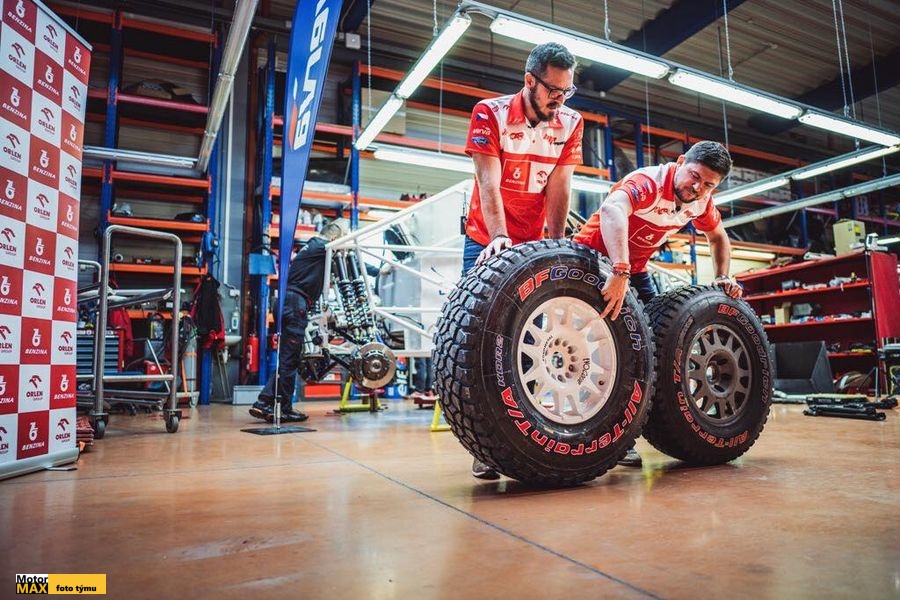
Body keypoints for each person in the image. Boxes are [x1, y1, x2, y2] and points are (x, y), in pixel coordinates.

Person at [574, 140, 744, 467]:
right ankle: (600, 435)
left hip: (633, 270)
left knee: (658, 344)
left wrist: (723, 276)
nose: (697, 188)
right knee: (603, 350)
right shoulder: (649, 182)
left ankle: (629, 432)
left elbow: (719, 236)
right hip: (591, 260)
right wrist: (620, 268)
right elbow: (612, 210)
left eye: (708, 185)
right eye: (694, 177)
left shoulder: (701, 202)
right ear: (680, 162)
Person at [461, 41, 584, 479]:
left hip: (534, 239)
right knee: (478, 336)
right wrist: (498, 239)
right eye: (553, 90)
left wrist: (554, 243)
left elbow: (560, 188)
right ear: (529, 80)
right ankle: (484, 444)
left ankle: (528, 428)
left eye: (567, 91)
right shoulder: (488, 113)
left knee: (534, 337)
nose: (560, 99)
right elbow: (487, 183)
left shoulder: (570, 121)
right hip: (485, 236)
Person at [250, 220, 346, 422]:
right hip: (294, 304)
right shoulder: (321, 246)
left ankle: (267, 402)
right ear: (334, 237)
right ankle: (275, 405)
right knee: (289, 359)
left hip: (288, 302)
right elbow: (341, 248)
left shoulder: (312, 249)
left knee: (289, 357)